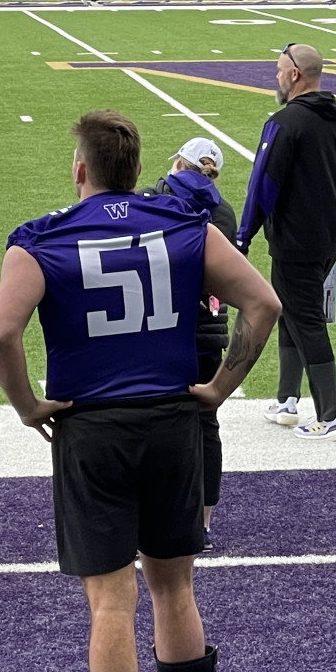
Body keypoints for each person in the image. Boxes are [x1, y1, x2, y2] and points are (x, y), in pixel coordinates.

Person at [0, 110, 280, 672]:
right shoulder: (183, 226)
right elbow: (262, 304)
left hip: (92, 430)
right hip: (173, 422)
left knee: (110, 600)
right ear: (136, 164)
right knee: (173, 587)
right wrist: (219, 387)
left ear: (81, 168)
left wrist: (29, 408)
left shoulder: (40, 239)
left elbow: (0, 335)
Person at [237, 43, 336, 441]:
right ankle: (287, 400)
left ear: (295, 75)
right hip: (330, 239)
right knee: (291, 312)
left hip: (296, 241)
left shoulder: (284, 123)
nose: (275, 76)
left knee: (305, 319)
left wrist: (243, 237)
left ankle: (331, 415)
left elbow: (263, 185)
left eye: (278, 70)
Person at [138, 137, 237, 553]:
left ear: (179, 163)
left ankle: (153, 516)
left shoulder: (152, 201)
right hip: (206, 327)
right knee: (205, 425)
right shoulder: (224, 213)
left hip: (159, 326)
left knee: (149, 419)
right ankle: (203, 522)